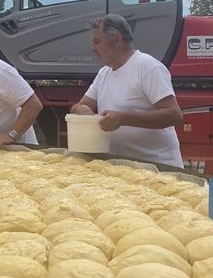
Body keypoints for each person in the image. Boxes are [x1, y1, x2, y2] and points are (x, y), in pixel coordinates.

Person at [70, 14, 183, 167]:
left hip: (157, 168)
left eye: (97, 42)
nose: (93, 49)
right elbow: (79, 106)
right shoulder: (104, 73)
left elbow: (174, 115)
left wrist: (123, 118)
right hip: (122, 168)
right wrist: (82, 110)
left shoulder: (148, 67)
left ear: (116, 38)